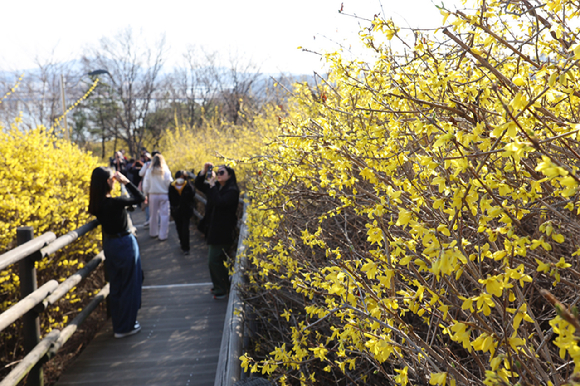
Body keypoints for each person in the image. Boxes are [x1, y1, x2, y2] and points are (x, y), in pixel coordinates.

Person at [88, 167, 145, 338]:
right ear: (107, 182)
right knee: (130, 284)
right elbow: (140, 198)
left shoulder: (96, 204)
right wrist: (126, 182)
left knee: (117, 285)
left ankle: (119, 324)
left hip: (111, 245)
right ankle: (126, 326)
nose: (114, 180)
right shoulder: (115, 202)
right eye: (112, 179)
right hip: (125, 243)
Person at [195, 163, 240, 299]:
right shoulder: (217, 187)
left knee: (214, 260)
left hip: (223, 231)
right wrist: (204, 171)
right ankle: (219, 286)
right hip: (214, 229)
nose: (218, 175)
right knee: (217, 260)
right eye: (217, 172)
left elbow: (220, 202)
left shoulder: (232, 190)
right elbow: (198, 184)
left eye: (222, 173)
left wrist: (213, 185)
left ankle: (222, 289)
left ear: (230, 175)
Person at [142, 154, 172, 240]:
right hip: (164, 194)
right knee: (164, 215)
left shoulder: (149, 171)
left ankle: (153, 232)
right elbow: (169, 183)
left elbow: (146, 184)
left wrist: (145, 194)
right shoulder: (166, 171)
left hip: (153, 195)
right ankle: (163, 235)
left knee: (153, 215)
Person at [169, 170, 195, 255]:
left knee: (185, 229)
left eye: (182, 178)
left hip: (186, 211)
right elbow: (170, 199)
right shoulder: (172, 186)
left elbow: (192, 195)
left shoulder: (188, 186)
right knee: (179, 228)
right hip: (176, 211)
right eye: (179, 178)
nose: (180, 179)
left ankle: (186, 247)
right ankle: (182, 242)